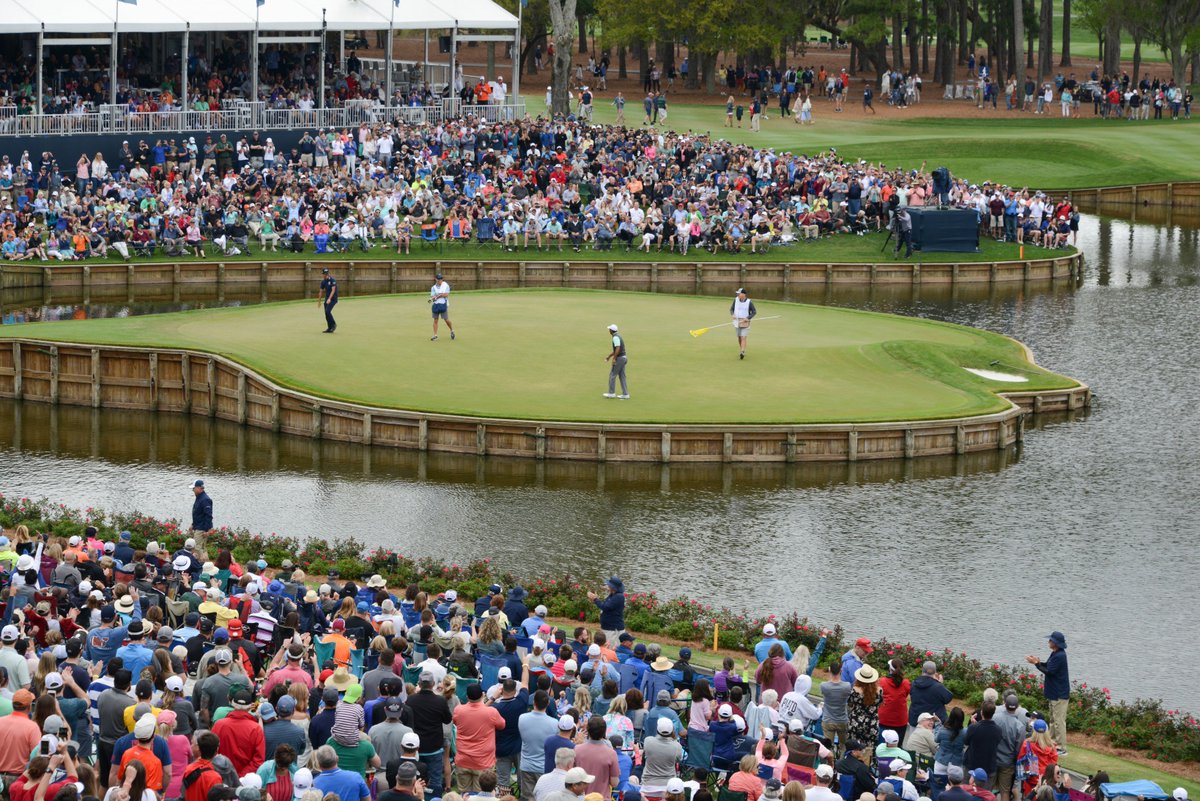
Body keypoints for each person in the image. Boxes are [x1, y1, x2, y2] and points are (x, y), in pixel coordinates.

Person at [1025, 632, 1069, 755]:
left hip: (1059, 694)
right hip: (1054, 693)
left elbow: (1049, 671)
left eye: (1050, 640)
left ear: (1055, 643)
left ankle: (1061, 748)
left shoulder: (1060, 655)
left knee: (1059, 721)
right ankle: (1053, 741)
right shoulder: (1055, 654)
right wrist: (1037, 662)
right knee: (1053, 719)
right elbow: (1049, 666)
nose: (1048, 642)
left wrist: (1036, 664)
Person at [820, 662, 852, 755]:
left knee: (827, 747)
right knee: (844, 746)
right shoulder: (847, 686)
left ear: (830, 670)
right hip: (842, 720)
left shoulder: (824, 686)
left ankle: (829, 765)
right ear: (840, 671)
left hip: (828, 720)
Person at [909, 661, 953, 726]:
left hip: (916, 721)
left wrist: (936, 683)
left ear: (922, 671)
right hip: (932, 724)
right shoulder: (937, 686)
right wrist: (940, 683)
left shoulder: (914, 684)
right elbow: (948, 698)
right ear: (935, 672)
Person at [602, 324, 628, 400]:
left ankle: (611, 393)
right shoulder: (618, 336)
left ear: (611, 331)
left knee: (612, 375)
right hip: (624, 358)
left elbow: (618, 348)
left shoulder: (615, 337)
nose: (608, 330)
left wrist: (614, 359)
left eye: (609, 329)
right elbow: (616, 350)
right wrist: (609, 356)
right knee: (622, 376)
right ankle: (625, 394)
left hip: (620, 359)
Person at [730, 288, 756, 360]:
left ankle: (742, 352)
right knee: (739, 337)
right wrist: (733, 315)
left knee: (743, 337)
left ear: (743, 294)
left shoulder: (749, 302)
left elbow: (754, 312)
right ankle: (741, 348)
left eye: (739, 293)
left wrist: (747, 318)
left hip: (745, 322)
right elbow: (731, 309)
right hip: (737, 322)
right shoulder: (735, 300)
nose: (738, 294)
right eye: (737, 293)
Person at [429, 273, 455, 341]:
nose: (440, 280)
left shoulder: (445, 285)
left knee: (446, 319)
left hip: (443, 304)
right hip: (436, 305)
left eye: (441, 279)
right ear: (436, 279)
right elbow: (432, 297)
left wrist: (438, 295)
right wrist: (434, 298)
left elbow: (446, 294)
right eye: (439, 279)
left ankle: (452, 330)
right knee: (435, 320)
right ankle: (435, 335)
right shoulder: (433, 288)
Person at [319, 268, 338, 333]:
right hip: (327, 299)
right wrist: (319, 301)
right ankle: (329, 328)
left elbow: (333, 290)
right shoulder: (323, 282)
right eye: (324, 274)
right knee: (326, 314)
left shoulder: (333, 281)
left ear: (327, 274)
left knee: (327, 311)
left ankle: (333, 325)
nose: (324, 275)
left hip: (333, 299)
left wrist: (330, 299)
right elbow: (321, 291)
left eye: (325, 274)